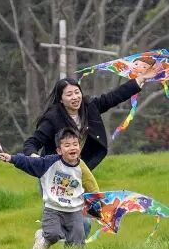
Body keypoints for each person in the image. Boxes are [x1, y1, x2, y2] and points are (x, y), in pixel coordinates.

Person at [22, 59, 159, 171]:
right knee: (56, 206)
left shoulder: (89, 107)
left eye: (77, 92)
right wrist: (36, 158)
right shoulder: (52, 119)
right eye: (69, 94)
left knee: (84, 204)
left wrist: (141, 78)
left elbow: (114, 96)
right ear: (60, 99)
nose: (75, 97)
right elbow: (32, 143)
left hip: (79, 168)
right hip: (53, 171)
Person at [0, 129, 87, 249]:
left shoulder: (82, 166)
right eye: (67, 145)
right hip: (53, 209)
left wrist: (97, 202)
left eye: (75, 144)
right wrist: (12, 158)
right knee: (53, 234)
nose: (72, 148)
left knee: (78, 242)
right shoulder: (49, 163)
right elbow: (30, 162)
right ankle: (43, 237)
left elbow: (90, 183)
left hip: (74, 210)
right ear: (59, 150)